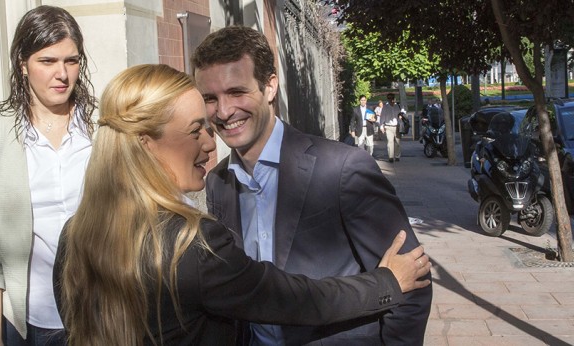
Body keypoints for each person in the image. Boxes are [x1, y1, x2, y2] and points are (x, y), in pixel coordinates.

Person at [52, 64, 431, 345]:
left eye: (207, 126)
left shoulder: (75, 235)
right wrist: (387, 282)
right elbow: (293, 299)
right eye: (195, 129)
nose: (210, 142)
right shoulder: (192, 245)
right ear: (146, 144)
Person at [192, 26, 433, 345]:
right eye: (210, 98)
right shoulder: (218, 183)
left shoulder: (343, 169)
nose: (223, 112)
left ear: (269, 87)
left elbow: (413, 283)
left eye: (237, 92)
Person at [0, 6, 96, 345]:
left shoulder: (103, 126)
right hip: (32, 322)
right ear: (23, 64)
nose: (62, 74)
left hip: (104, 315)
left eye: (71, 60)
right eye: (47, 61)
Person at [380, 93, 405, 162]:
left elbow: (403, 113)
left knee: (397, 142)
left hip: (397, 126)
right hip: (388, 126)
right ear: (387, 99)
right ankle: (390, 157)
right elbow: (382, 117)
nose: (390, 100)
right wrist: (381, 126)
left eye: (392, 98)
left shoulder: (398, 106)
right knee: (390, 142)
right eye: (389, 98)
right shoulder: (385, 107)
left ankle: (397, 156)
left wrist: (401, 116)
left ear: (394, 98)